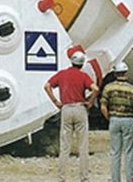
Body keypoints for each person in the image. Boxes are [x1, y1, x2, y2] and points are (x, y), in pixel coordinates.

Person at [44, 50, 99, 182]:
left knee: (65, 146)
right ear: (82, 64)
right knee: (83, 145)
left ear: (71, 61)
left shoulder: (62, 74)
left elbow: (47, 86)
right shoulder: (83, 76)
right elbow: (95, 89)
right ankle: (84, 177)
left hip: (66, 108)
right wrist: (90, 102)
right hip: (80, 108)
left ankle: (61, 177)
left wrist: (56, 101)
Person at [100, 62, 133, 182]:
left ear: (115, 74)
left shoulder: (108, 88)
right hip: (128, 120)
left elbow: (103, 106)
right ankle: (130, 179)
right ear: (126, 73)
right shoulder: (132, 89)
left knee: (115, 153)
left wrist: (109, 118)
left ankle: (115, 179)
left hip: (114, 120)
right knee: (129, 152)